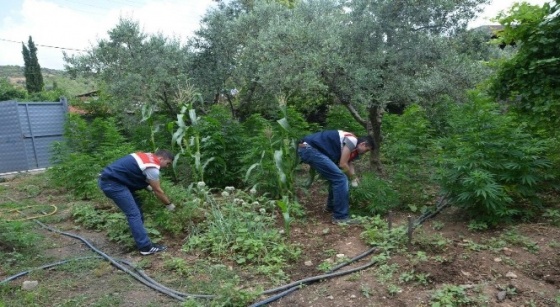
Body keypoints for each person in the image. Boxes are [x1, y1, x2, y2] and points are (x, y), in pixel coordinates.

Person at [98, 150, 175, 255]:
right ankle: (145, 247)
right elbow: (158, 190)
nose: (167, 166)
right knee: (134, 214)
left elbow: (133, 171)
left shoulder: (147, 155)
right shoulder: (153, 168)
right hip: (113, 184)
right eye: (168, 163)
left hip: (113, 180)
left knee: (137, 210)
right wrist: (169, 204)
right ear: (161, 159)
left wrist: (148, 187)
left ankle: (139, 239)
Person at [297, 130, 374, 224]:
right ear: (363, 144)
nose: (365, 153)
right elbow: (342, 164)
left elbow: (349, 162)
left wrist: (355, 177)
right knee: (341, 179)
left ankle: (331, 207)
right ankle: (340, 217)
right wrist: (352, 178)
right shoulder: (352, 140)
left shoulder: (353, 148)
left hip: (310, 149)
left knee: (335, 178)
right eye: (367, 150)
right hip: (309, 149)